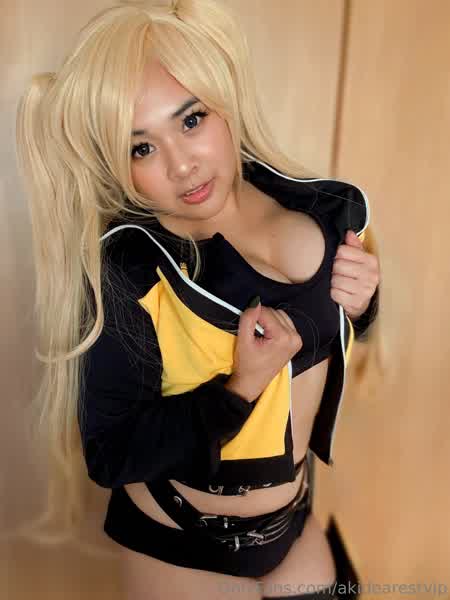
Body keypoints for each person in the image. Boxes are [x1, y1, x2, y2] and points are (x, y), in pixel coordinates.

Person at [14, 0, 381, 598]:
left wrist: (363, 306)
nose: (182, 165)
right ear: (115, 165)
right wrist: (239, 386)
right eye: (140, 148)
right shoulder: (131, 270)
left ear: (223, 100)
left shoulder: (322, 207)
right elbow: (111, 453)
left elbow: (336, 341)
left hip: (294, 525)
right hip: (181, 543)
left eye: (190, 120)